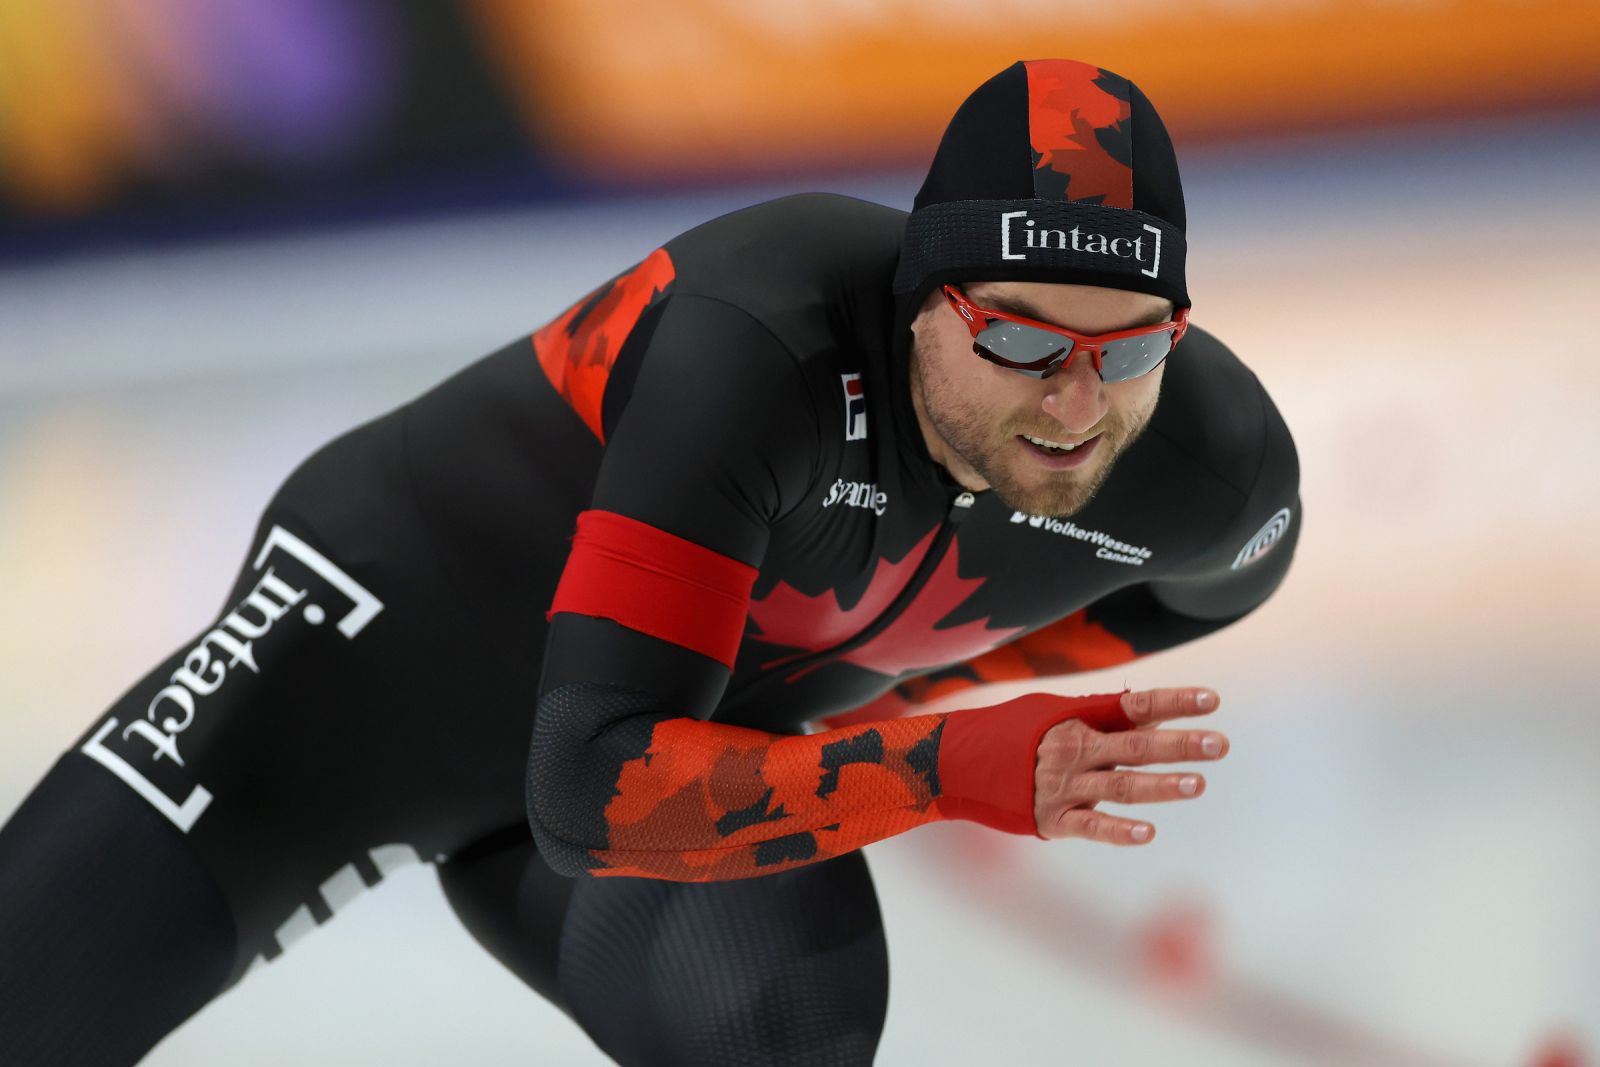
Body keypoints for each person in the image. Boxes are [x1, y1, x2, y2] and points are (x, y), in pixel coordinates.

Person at [0, 58, 1299, 1065]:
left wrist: (875, 701)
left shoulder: (1211, 465)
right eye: (1022, 342)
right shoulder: (763, 342)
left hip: (677, 726)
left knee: (782, 1037)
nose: (1075, 406)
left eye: (1128, 349)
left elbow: (1207, 587)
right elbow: (586, 790)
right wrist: (939, 761)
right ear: (921, 298)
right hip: (368, 667)